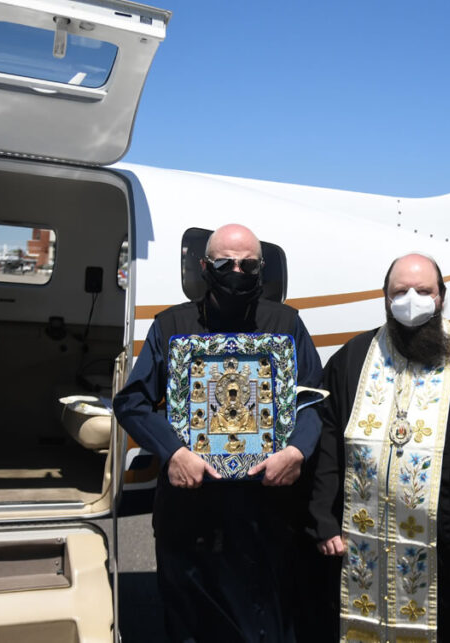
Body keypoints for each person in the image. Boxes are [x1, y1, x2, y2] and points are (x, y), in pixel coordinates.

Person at [113, 223, 323, 643]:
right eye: (226, 263)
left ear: (261, 269)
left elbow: (313, 402)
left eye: (248, 264)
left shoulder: (286, 323)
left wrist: (298, 451)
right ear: (206, 266)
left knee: (266, 624)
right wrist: (172, 452)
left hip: (266, 507)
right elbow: (132, 402)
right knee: (192, 625)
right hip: (192, 509)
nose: (237, 272)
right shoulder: (173, 326)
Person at [308, 253, 450, 643]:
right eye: (400, 291)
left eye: (423, 290)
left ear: (442, 297)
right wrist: (322, 515)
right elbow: (328, 443)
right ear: (385, 298)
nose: (411, 299)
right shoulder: (352, 358)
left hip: (447, 538)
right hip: (361, 537)